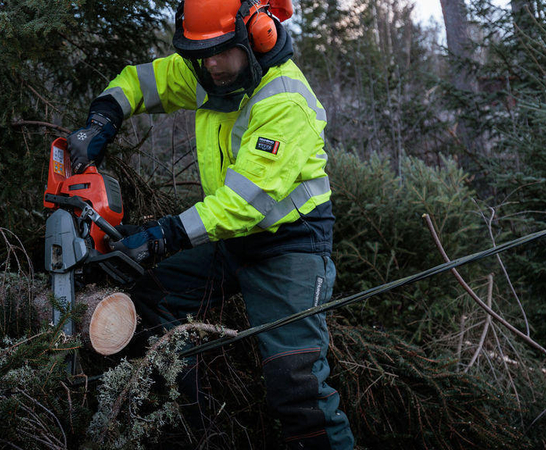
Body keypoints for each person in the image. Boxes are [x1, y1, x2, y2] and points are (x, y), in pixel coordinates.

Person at [67, 0, 354, 448]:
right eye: (201, 55)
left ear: (255, 36)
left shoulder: (284, 99)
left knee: (297, 384)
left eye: (221, 52)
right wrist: (103, 117)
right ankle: (188, 431)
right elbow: (143, 79)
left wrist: (165, 235)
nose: (211, 65)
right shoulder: (207, 68)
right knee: (152, 296)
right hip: (229, 238)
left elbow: (243, 204)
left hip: (290, 245)